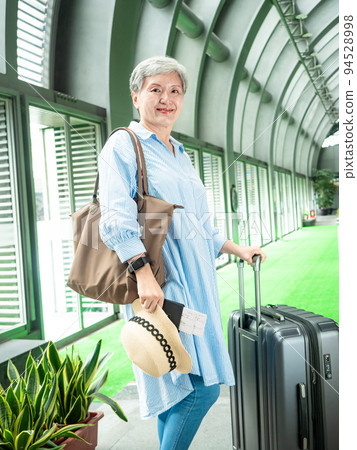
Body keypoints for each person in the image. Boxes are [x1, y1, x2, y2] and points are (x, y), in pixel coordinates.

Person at [99, 56, 266, 449]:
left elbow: (196, 224)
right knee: (198, 389)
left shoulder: (179, 152)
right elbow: (114, 218)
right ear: (136, 95)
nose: (166, 99)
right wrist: (142, 276)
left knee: (180, 386)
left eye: (175, 91)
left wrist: (233, 247)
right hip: (163, 289)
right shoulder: (123, 145)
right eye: (156, 89)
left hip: (197, 288)